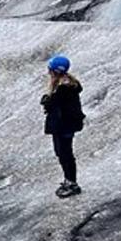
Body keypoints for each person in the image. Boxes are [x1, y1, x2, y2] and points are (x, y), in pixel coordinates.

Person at [42, 55, 85, 198]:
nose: (48, 72)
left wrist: (48, 102)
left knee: (65, 153)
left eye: (50, 70)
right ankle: (69, 180)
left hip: (64, 126)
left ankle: (71, 183)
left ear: (55, 71)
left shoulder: (63, 89)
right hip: (63, 125)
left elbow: (57, 106)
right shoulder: (64, 86)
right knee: (62, 153)